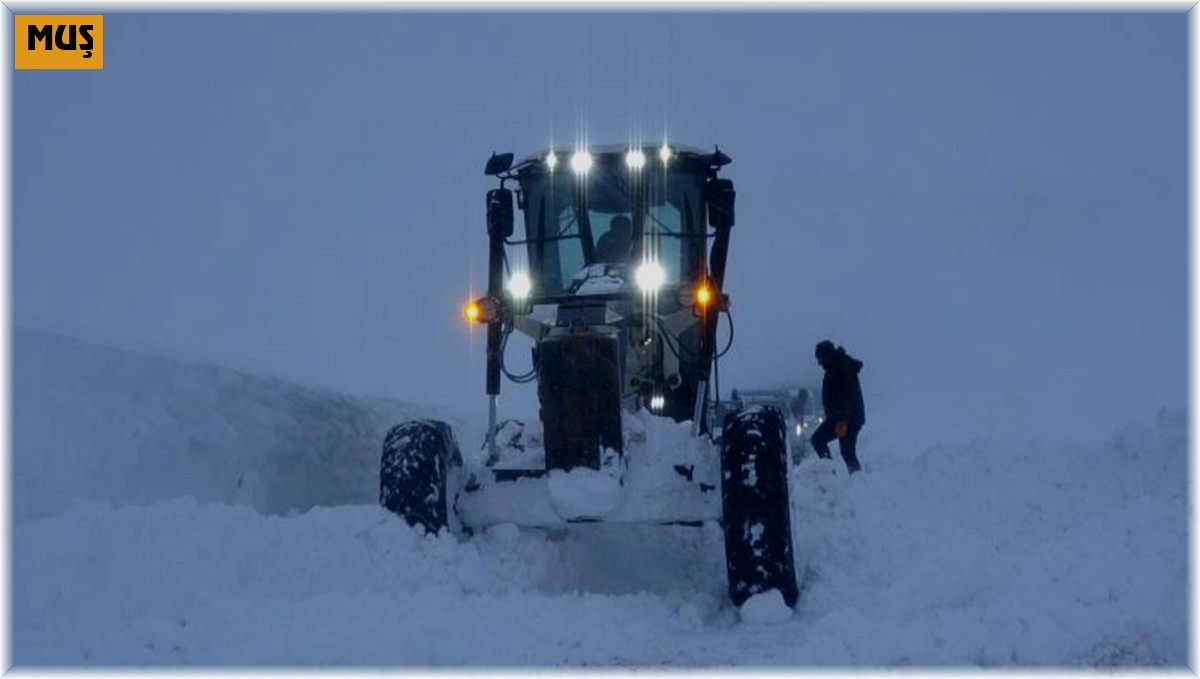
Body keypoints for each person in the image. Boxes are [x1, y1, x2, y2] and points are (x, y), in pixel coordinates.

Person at [810, 340, 866, 474]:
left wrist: (842, 420)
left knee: (847, 451)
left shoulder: (842, 368)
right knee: (818, 440)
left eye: (821, 359)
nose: (820, 363)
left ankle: (857, 480)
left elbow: (848, 397)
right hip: (839, 418)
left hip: (847, 419)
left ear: (828, 356)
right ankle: (830, 474)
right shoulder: (834, 368)